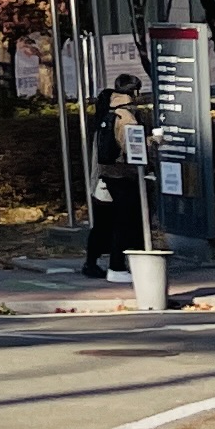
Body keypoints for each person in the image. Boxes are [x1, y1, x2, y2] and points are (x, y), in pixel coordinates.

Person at [82, 73, 154, 279]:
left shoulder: (107, 110)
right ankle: (117, 267)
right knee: (125, 222)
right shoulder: (126, 117)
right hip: (123, 176)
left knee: (104, 222)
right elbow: (132, 148)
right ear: (135, 92)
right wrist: (154, 141)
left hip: (105, 175)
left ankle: (92, 262)